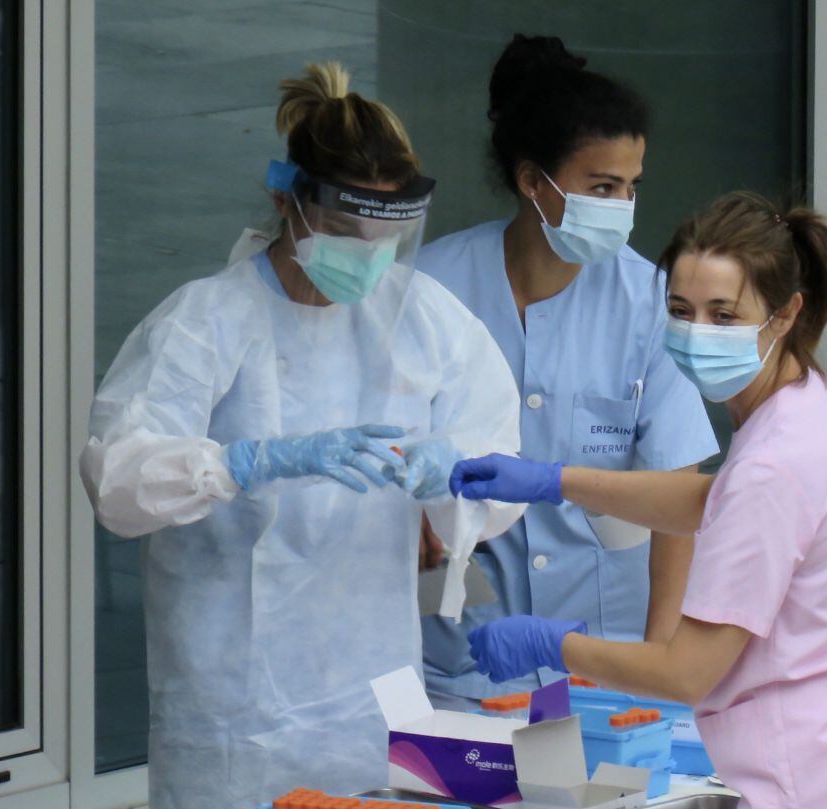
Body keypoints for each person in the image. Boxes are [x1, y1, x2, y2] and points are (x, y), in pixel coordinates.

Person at [79, 62, 524, 809]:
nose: (368, 255)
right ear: (287, 199)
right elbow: (117, 483)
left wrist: (453, 472)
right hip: (233, 707)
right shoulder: (207, 321)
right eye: (346, 231)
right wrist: (243, 463)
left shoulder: (423, 319)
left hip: (372, 691)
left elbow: (498, 465)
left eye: (387, 235)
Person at [451, 193, 827, 809]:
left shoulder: (773, 466)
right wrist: (555, 481)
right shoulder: (823, 404)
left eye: (723, 315)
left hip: (821, 782)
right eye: (680, 311)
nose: (697, 333)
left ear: (786, 313)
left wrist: (549, 645)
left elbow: (685, 673)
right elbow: (717, 499)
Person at [415, 34, 718, 709]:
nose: (621, 206)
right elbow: (382, 442)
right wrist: (412, 516)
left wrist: (659, 664)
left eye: (631, 187)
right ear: (533, 181)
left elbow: (678, 498)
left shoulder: (650, 301)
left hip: (604, 661)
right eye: (602, 186)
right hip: (462, 655)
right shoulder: (432, 288)